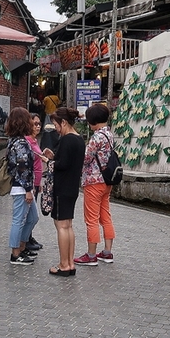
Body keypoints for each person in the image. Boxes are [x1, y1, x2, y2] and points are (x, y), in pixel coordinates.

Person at [43, 107, 85, 276]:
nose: (56, 129)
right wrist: (54, 157)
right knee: (68, 226)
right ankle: (70, 263)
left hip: (62, 187)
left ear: (64, 122)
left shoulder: (67, 140)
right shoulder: (79, 139)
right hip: (72, 187)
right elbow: (70, 162)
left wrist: (48, 161)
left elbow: (62, 165)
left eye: (56, 125)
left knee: (61, 226)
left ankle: (63, 264)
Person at [73, 103, 117, 267]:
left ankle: (91, 254)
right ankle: (107, 252)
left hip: (93, 181)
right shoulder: (109, 134)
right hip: (107, 180)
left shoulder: (97, 137)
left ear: (92, 120)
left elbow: (85, 158)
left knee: (91, 219)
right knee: (105, 216)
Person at [5, 107, 39, 265]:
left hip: (22, 186)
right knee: (19, 220)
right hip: (21, 187)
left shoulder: (14, 140)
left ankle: (22, 246)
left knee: (32, 218)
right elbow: (23, 168)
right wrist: (28, 190)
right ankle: (15, 253)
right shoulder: (21, 143)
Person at [26, 113, 48, 252]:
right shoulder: (27, 141)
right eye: (35, 124)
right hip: (31, 182)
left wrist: (39, 183)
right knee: (29, 214)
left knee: (31, 213)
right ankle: (26, 239)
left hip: (36, 181)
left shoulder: (34, 140)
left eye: (39, 124)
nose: (38, 126)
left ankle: (29, 237)